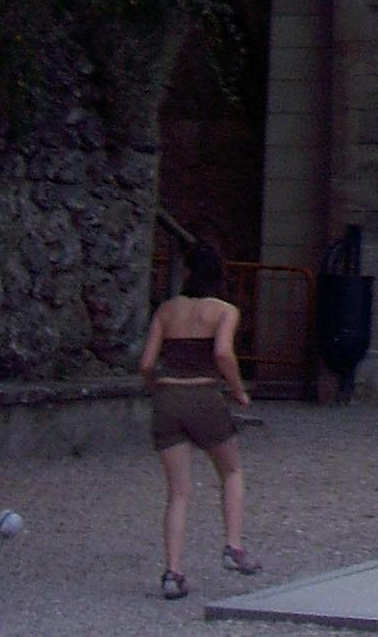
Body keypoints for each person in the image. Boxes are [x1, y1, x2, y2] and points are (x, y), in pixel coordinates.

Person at [138, 241, 261, 599]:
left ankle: (173, 572)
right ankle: (233, 547)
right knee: (232, 472)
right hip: (205, 396)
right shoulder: (225, 310)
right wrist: (239, 390)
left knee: (178, 492)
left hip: (168, 398)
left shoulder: (166, 310)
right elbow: (222, 353)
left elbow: (146, 363)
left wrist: (155, 388)